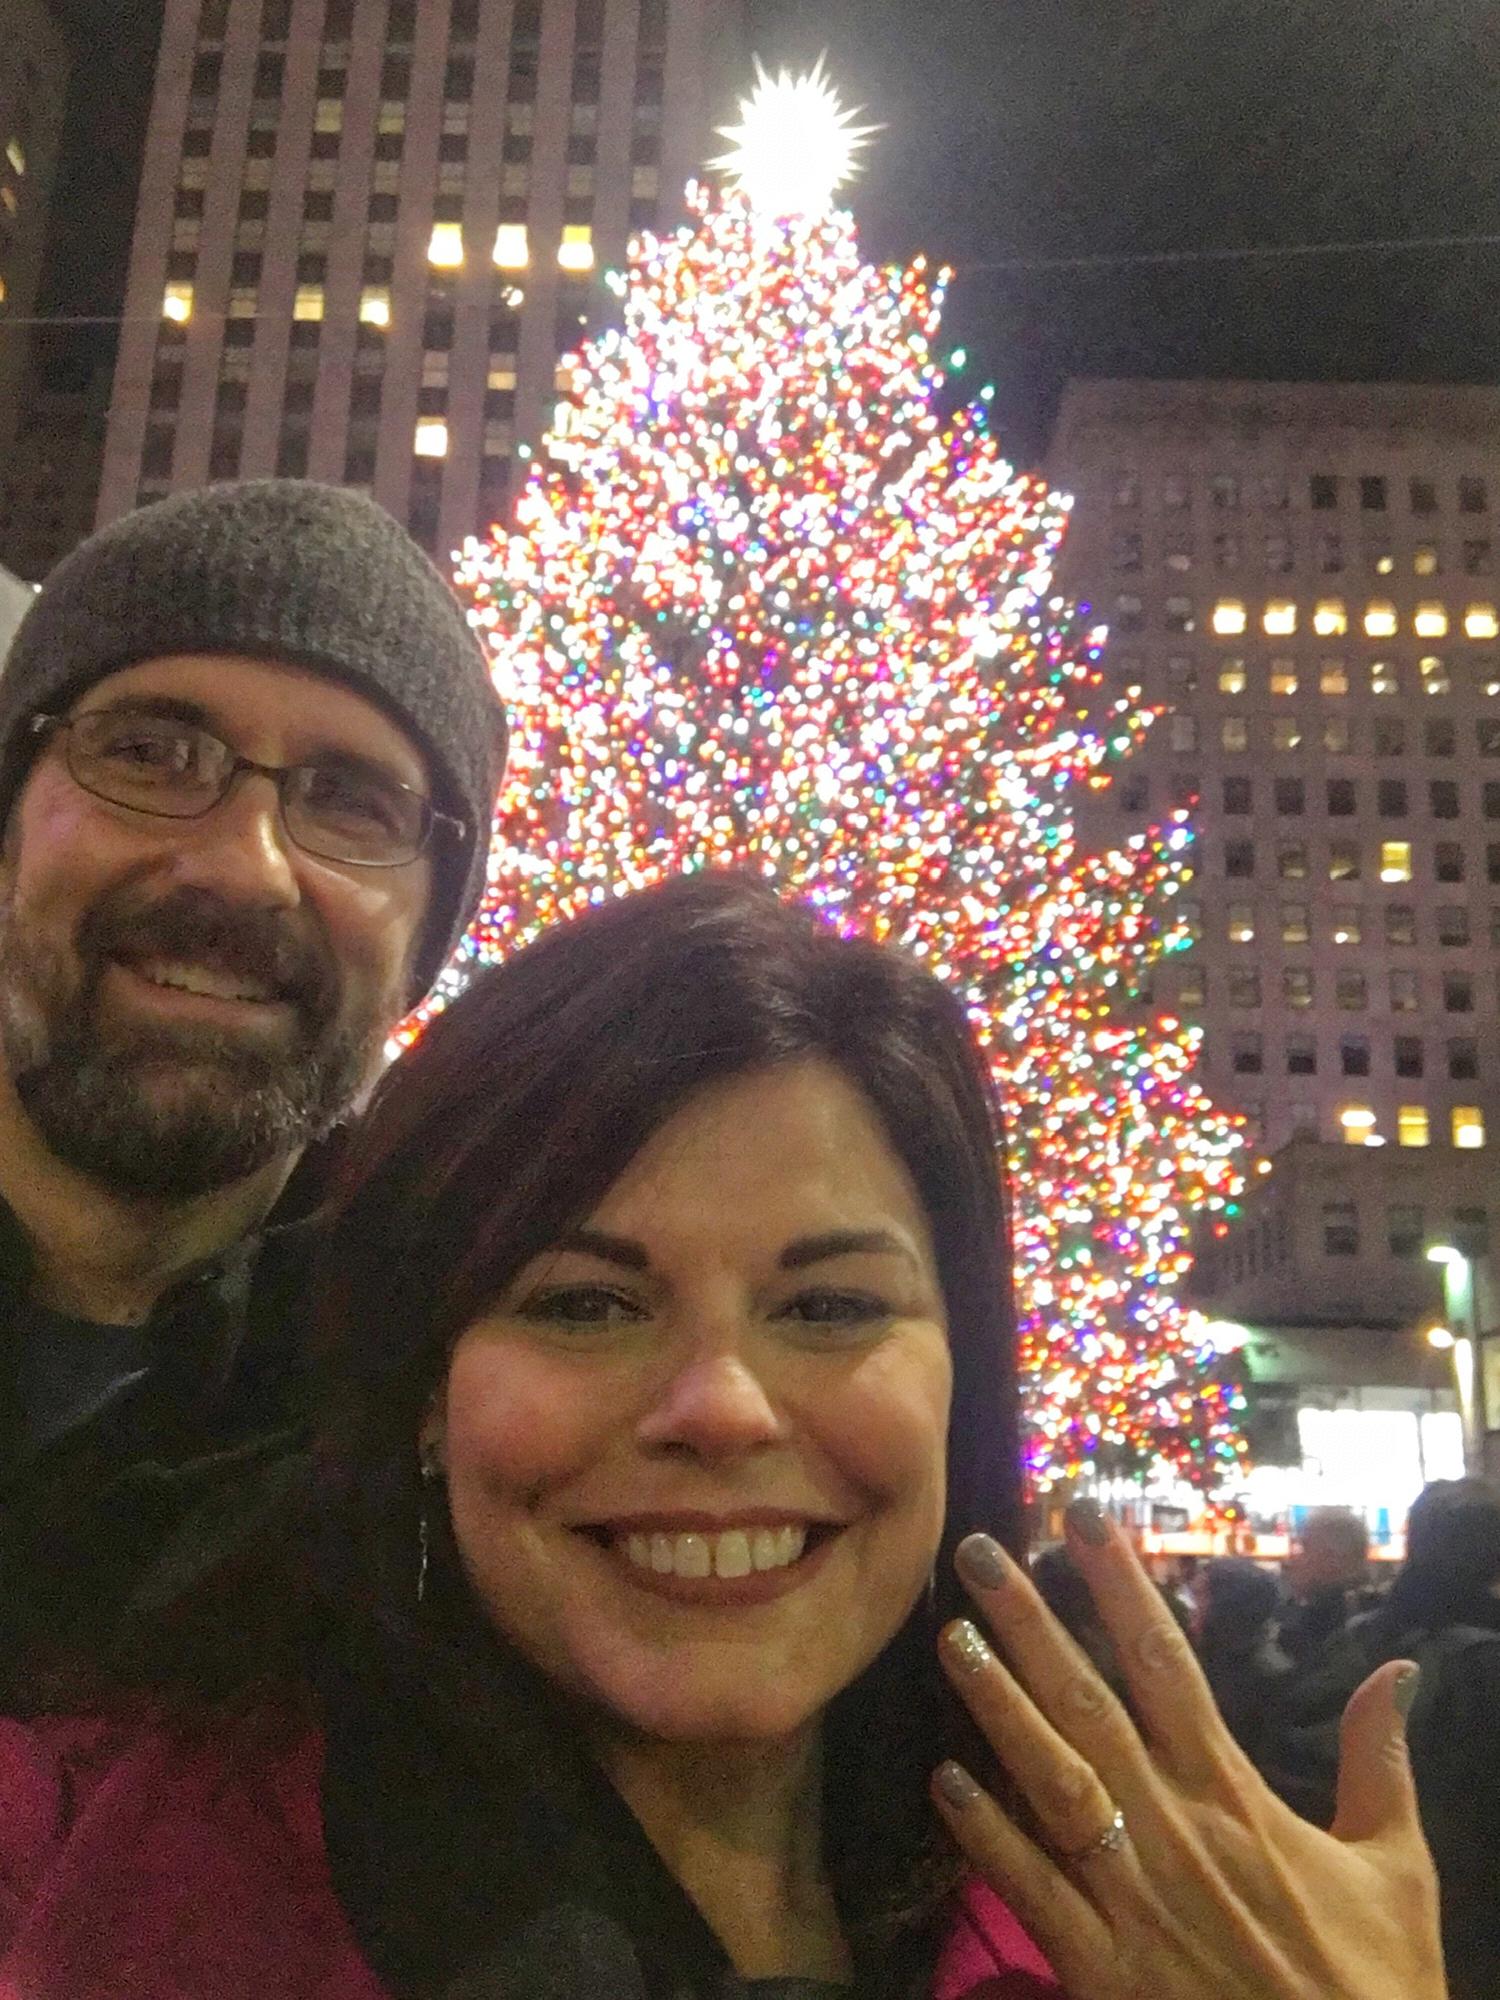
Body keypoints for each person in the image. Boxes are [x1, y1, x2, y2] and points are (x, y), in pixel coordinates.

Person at [0, 878, 1447, 1999]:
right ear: (425, 1398)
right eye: (582, 1303)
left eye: (826, 1304)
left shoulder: (1173, 1933)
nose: (722, 1406)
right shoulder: (76, 1870)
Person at [0, 478, 507, 1707]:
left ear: (423, 934)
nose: (243, 863)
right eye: (149, 752)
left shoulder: (476, 1447)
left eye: (352, 799)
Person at [1194, 1555, 1293, 1761]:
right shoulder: (1224, 1658)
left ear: (1224, 1606)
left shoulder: (1258, 1675)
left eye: (1200, 1597)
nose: (1193, 1609)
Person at [1276, 1507, 1378, 1669]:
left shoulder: (1310, 1625)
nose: (1291, 1559)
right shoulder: (1377, 1616)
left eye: (1304, 1547)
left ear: (1336, 1558)